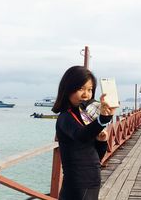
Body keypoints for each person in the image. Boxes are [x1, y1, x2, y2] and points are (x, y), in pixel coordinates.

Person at [52, 66, 115, 200]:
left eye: (90, 89)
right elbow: (81, 135)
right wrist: (102, 119)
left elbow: (97, 157)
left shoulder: (85, 117)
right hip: (77, 184)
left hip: (92, 182)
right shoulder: (65, 117)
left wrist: (102, 141)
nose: (86, 94)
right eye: (80, 89)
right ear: (68, 89)